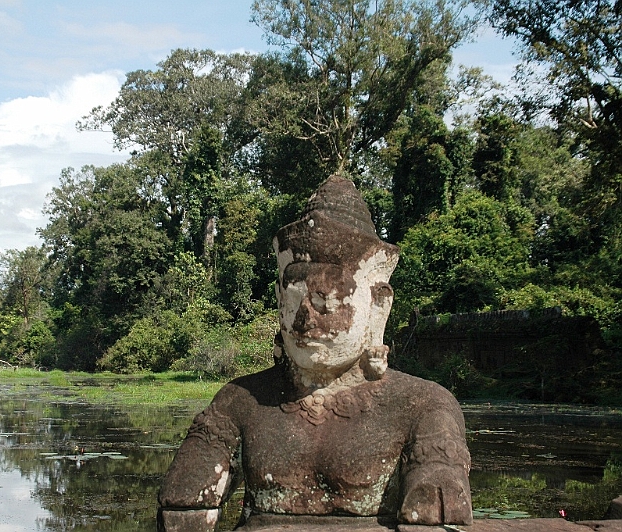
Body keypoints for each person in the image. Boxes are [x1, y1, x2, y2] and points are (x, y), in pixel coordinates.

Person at [158, 175, 472, 531]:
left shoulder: (424, 406)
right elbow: (182, 503)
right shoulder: (240, 402)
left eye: (326, 302)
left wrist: (436, 483)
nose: (305, 321)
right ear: (279, 302)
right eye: (294, 301)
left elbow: (439, 510)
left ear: (377, 307)